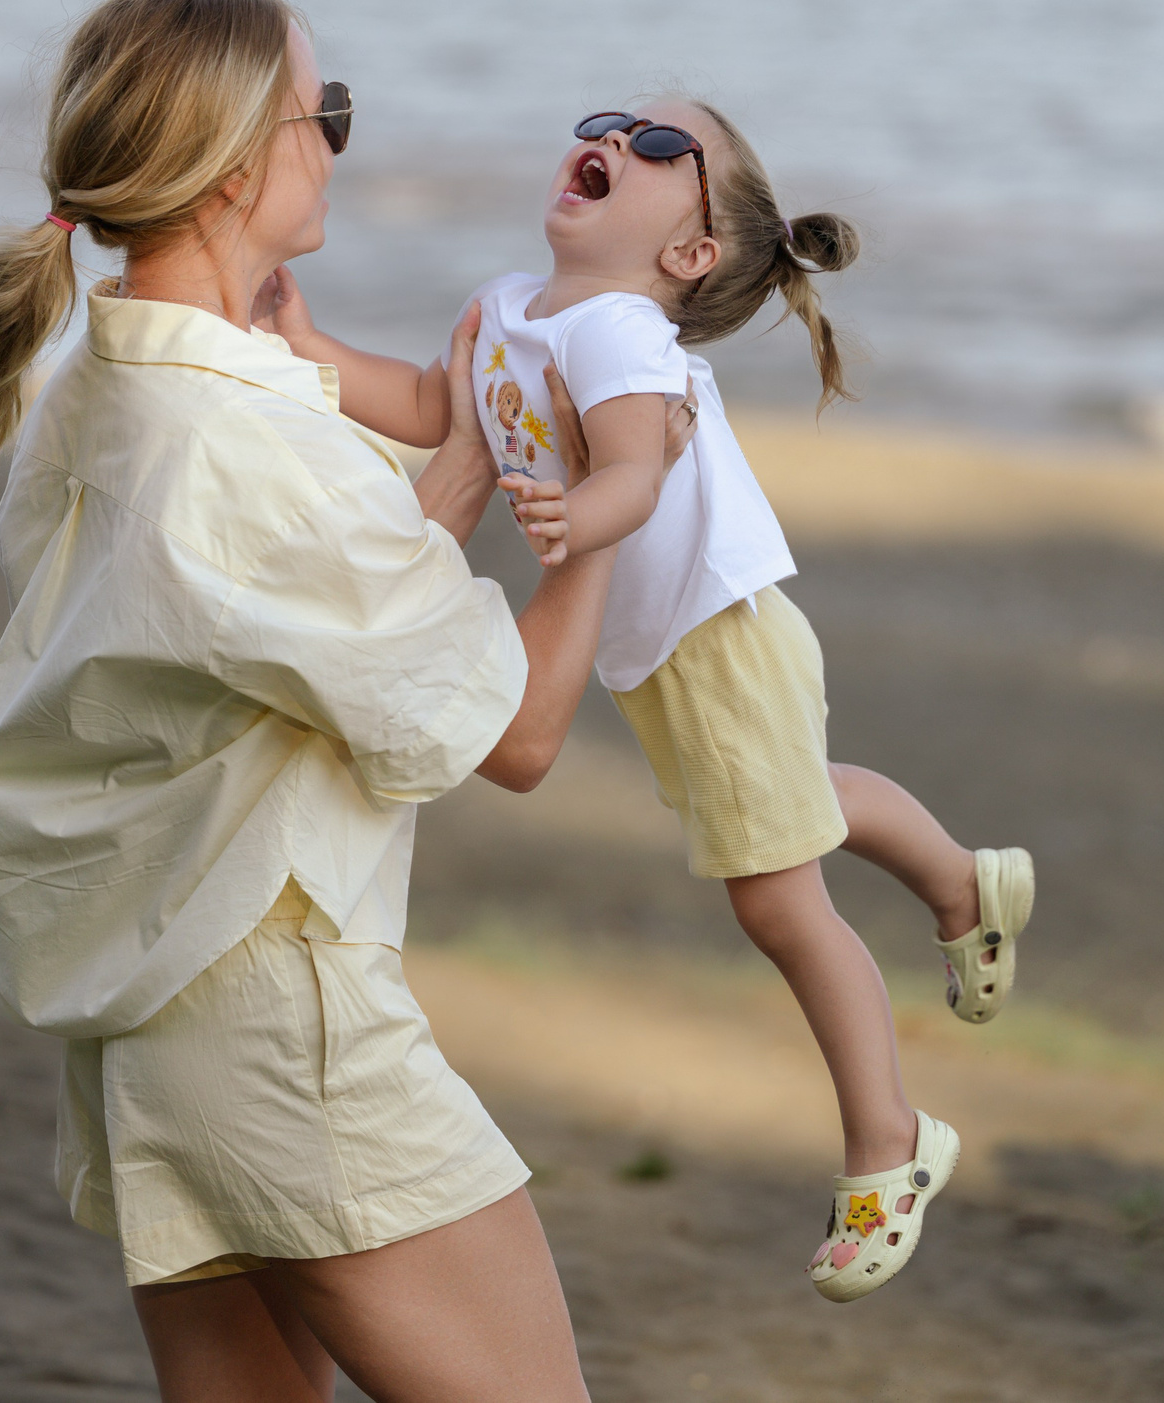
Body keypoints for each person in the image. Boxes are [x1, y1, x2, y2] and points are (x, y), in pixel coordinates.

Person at [0, 0, 664, 1400]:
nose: (335, 142)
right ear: (230, 165)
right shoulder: (249, 444)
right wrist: (595, 509)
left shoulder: (102, 375)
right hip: (279, 1015)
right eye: (322, 114)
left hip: (160, 1018)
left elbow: (265, 617)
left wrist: (444, 471)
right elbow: (514, 733)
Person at [260, 98, 1038, 1304]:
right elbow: (429, 408)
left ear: (690, 255)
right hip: (668, 648)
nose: (618, 141)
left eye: (664, 148)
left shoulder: (620, 330)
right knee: (791, 808)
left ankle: (888, 1139)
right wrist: (310, 344)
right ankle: (957, 881)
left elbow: (634, 466)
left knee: (776, 898)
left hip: (715, 634)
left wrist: (579, 520)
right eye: (612, 122)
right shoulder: (510, 304)